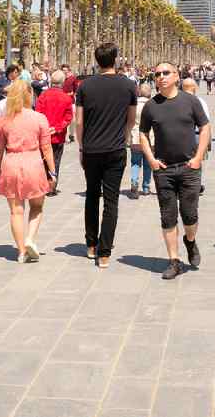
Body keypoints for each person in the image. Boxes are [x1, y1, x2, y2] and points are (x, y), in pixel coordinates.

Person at [140, 62, 210, 279]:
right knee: (167, 217)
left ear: (176, 76)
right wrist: (151, 159)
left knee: (190, 216)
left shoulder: (191, 101)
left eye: (166, 73)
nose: (161, 77)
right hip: (164, 169)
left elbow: (205, 127)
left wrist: (198, 157)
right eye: (157, 74)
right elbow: (143, 133)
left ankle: (190, 241)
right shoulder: (151, 106)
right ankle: (174, 260)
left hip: (189, 167)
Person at [75, 42, 137, 268]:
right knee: (111, 201)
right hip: (116, 149)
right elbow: (131, 119)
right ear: (116, 59)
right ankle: (105, 252)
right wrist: (124, 135)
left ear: (96, 60)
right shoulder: (129, 86)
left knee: (92, 196)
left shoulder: (85, 86)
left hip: (91, 150)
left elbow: (79, 122)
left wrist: (81, 147)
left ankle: (91, 244)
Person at [0, 79, 56, 263]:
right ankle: (30, 239)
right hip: (33, 162)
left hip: (11, 162)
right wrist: (52, 172)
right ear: (30, 94)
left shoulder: (3, 121)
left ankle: (21, 251)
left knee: (16, 211)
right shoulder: (39, 118)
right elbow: (47, 149)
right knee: (37, 206)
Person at [36, 71, 74, 196]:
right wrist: (57, 128)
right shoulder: (66, 98)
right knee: (55, 160)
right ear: (63, 83)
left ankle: (43, 184)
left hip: (43, 134)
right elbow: (68, 118)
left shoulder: (43, 96)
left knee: (43, 159)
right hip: (58, 135)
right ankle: (51, 186)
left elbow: (38, 113)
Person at [127, 83, 153, 199]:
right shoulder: (153, 104)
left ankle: (134, 181)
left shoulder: (133, 105)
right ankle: (146, 186)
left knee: (135, 162)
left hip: (135, 136)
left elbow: (128, 121)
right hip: (150, 138)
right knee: (148, 163)